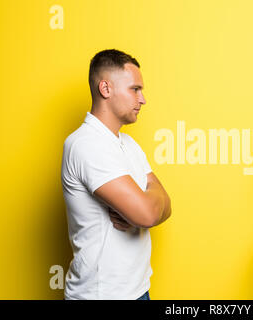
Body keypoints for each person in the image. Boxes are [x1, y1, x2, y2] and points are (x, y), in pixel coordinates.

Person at [61, 49, 171, 300]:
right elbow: (150, 213)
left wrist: (147, 207)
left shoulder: (128, 144)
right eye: (135, 89)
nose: (142, 99)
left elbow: (166, 205)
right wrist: (146, 207)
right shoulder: (86, 144)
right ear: (106, 89)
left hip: (138, 290)